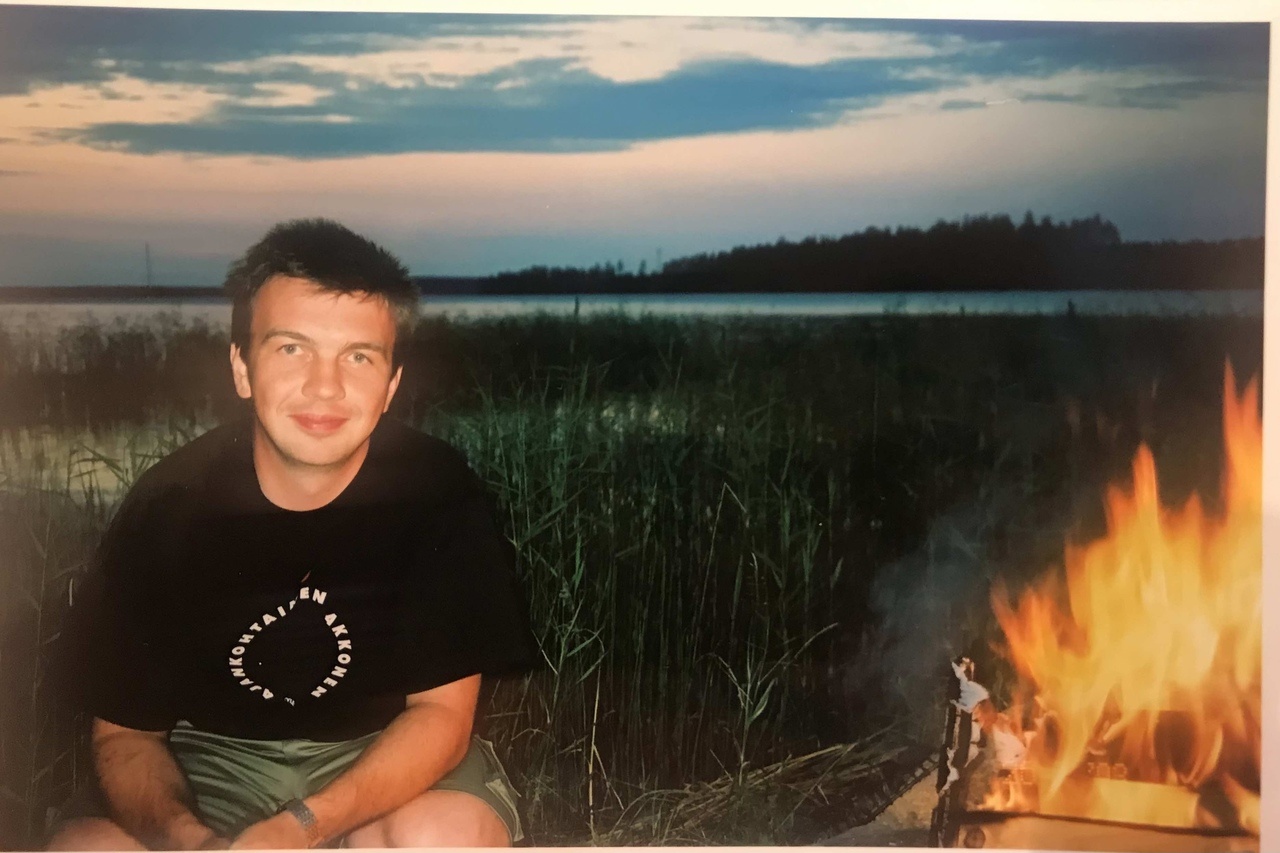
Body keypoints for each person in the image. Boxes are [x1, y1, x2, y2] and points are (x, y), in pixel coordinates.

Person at [47, 219, 536, 850]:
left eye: (358, 356)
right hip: (211, 758)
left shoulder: (437, 490)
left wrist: (301, 827)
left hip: (383, 747)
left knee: (441, 835)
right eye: (291, 349)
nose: (324, 386)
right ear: (241, 367)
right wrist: (196, 843)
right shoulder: (167, 505)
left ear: (391, 385)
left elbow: (440, 715)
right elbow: (125, 736)